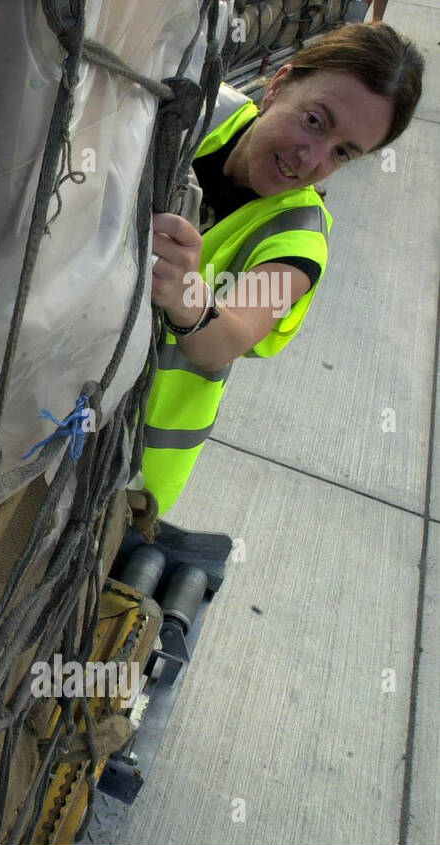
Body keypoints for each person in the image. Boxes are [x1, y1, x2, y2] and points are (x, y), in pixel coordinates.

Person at [140, 21, 424, 514]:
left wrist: (186, 295)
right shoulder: (199, 110)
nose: (310, 158)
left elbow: (225, 341)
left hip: (129, 464)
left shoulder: (299, 237)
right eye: (315, 120)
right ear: (278, 85)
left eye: (343, 153)